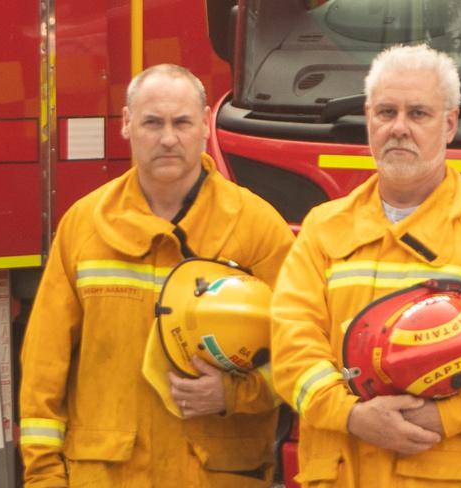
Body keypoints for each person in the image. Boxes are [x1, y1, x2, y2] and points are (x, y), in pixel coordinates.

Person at [270, 44, 461, 487]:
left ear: (449, 124)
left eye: (419, 114)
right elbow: (290, 349)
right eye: (386, 112)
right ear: (369, 119)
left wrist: (444, 417)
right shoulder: (323, 230)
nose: (399, 128)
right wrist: (350, 415)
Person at [19, 64, 294, 487]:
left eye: (182, 122)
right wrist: (43, 477)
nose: (168, 138)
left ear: (204, 125)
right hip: (108, 474)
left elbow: (305, 354)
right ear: (127, 124)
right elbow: (44, 367)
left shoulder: (257, 228)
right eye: (152, 122)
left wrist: (235, 394)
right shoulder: (85, 225)